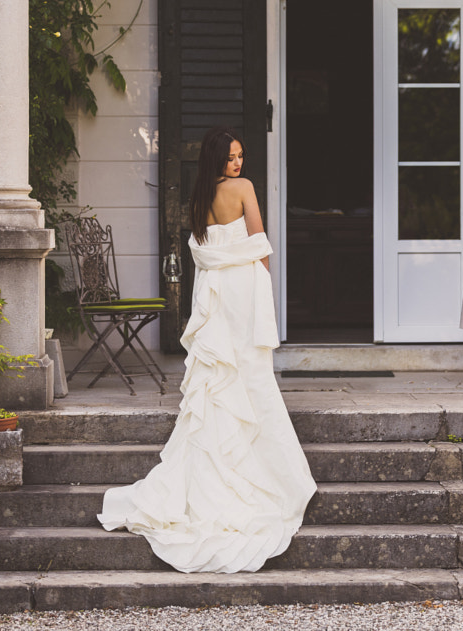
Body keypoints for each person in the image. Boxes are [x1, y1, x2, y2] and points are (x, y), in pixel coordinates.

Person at [96, 127, 317, 573]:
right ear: (219, 159)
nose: (239, 163)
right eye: (232, 157)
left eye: (241, 156)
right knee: (249, 374)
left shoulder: (199, 198)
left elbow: (207, 250)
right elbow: (259, 243)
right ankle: (262, 476)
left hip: (215, 293)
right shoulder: (243, 189)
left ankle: (216, 469)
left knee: (219, 378)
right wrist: (264, 289)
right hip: (240, 290)